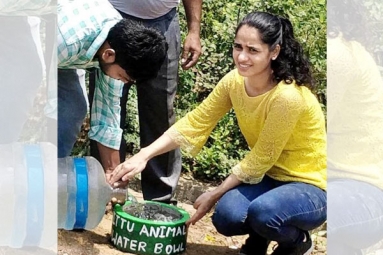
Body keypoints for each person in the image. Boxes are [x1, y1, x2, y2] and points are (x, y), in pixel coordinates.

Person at [109, 11, 327, 255]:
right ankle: (258, 240)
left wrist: (215, 192)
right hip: (268, 180)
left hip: (309, 187)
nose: (242, 57)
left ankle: (296, 242)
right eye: (238, 47)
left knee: (264, 213)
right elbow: (196, 121)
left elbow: (260, 158)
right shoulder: (234, 81)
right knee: (227, 217)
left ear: (274, 52)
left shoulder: (288, 96)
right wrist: (144, 155)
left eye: (253, 50)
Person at [88, 0, 202, 204]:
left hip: (163, 22)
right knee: (105, 108)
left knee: (160, 113)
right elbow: (103, 114)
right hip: (115, 17)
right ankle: (103, 191)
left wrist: (194, 29)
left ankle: (160, 200)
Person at [56, 0, 168, 178]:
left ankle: (50, 169)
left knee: (74, 107)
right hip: (23, 29)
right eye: (124, 78)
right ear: (109, 55)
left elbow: (107, 115)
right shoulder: (65, 42)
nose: (123, 83)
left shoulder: (116, 46)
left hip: (61, 55)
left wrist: (113, 173)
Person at [327, 0, 383, 254]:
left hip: (364, 191)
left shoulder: (340, 53)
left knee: (311, 208)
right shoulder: (348, 48)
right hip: (344, 187)